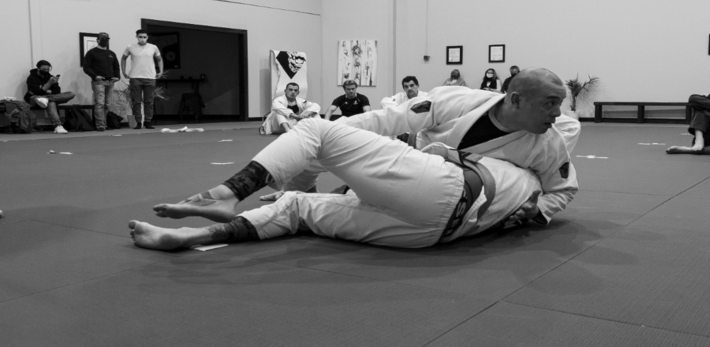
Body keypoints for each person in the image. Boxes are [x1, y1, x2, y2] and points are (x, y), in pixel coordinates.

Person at [129, 117, 548, 251]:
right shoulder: (527, 200)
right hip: (430, 235)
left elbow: (436, 157)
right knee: (297, 207)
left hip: (446, 189)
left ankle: (226, 194)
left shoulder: (509, 166)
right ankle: (192, 235)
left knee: (316, 130)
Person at [269, 68, 579, 225]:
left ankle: (305, 203)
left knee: (360, 202)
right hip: (407, 152)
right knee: (327, 143)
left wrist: (539, 209)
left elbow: (563, 189)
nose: (557, 114)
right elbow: (387, 119)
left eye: (559, 105)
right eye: (550, 104)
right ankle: (299, 189)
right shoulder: (456, 99)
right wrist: (319, 134)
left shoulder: (548, 144)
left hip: (444, 190)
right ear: (516, 100)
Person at [121, 29, 163, 129]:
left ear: (147, 37)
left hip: (150, 77)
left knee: (149, 101)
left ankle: (148, 121)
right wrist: (123, 71)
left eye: (144, 37)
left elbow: (159, 59)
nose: (142, 39)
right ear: (136, 37)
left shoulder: (153, 47)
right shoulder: (130, 47)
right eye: (140, 37)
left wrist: (160, 71)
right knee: (136, 101)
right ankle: (138, 122)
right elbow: (123, 58)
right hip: (135, 77)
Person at [81, 32, 120, 131]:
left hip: (110, 81)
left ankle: (105, 123)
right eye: (102, 39)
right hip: (99, 82)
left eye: (106, 39)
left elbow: (116, 67)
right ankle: (100, 125)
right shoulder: (91, 53)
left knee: (108, 104)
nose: (104, 41)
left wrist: (117, 77)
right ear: (97, 40)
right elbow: (86, 67)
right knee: (100, 103)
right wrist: (95, 76)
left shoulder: (111, 53)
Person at [25, 60, 75, 134]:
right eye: (43, 69)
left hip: (48, 97)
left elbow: (57, 91)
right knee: (51, 102)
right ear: (38, 68)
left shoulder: (50, 77)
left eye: (47, 69)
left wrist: (46, 91)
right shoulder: (32, 78)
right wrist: (49, 84)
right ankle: (58, 125)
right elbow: (38, 92)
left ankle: (46, 99)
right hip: (34, 98)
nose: (46, 71)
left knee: (71, 93)